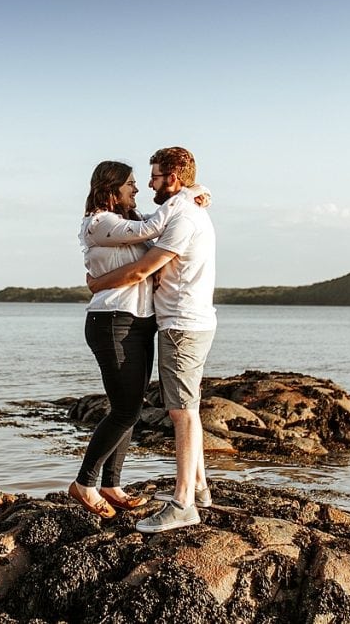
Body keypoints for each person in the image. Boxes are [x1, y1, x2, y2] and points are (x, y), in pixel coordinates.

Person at [86, 147, 216, 533]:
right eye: (137, 181)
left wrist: (95, 284)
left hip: (181, 323)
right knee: (183, 407)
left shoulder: (181, 215)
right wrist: (197, 191)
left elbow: (143, 268)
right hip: (179, 321)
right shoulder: (185, 209)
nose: (147, 184)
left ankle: (183, 504)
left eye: (155, 177)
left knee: (181, 412)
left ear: (173, 178)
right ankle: (198, 489)